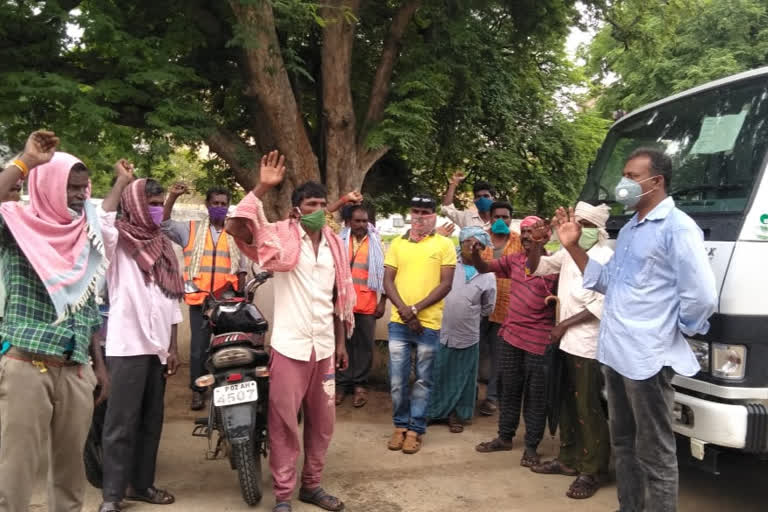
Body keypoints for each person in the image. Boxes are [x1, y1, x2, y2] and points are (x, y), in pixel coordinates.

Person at [552, 148, 717, 512]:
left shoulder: (677, 228)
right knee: (624, 443)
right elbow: (608, 281)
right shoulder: (628, 231)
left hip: (648, 360)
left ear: (656, 181)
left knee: (654, 452)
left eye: (631, 176)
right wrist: (574, 247)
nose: (623, 184)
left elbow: (702, 296)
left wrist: (669, 333)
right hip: (614, 353)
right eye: (623, 175)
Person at [225, 151, 354, 512]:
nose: (317, 209)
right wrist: (263, 187)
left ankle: (311, 486)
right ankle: (283, 495)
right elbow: (236, 228)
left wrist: (341, 341)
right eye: (310, 203)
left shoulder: (334, 246)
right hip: (290, 348)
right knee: (283, 424)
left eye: (321, 204)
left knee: (323, 424)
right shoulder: (279, 237)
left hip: (324, 347)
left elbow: (335, 298)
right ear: (297, 209)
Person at [0, 131, 111, 512]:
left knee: (69, 476)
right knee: (15, 472)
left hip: (76, 368)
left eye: (85, 187)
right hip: (27, 365)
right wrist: (26, 161)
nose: (82, 195)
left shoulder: (84, 234)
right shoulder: (16, 226)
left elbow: (87, 307)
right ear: (47, 186)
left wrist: (98, 367)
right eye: (73, 188)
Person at [99, 178, 184, 512]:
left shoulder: (163, 244)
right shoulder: (118, 240)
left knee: (151, 420)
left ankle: (142, 485)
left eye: (159, 202)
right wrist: (121, 182)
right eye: (150, 202)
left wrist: (173, 346)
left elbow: (172, 299)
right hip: (127, 346)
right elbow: (103, 220)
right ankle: (112, 495)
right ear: (134, 204)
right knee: (120, 423)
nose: (155, 208)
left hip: (158, 349)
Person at [526, 202, 614, 500]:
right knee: (565, 402)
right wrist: (537, 243)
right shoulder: (567, 252)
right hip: (564, 341)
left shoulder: (605, 256)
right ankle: (568, 459)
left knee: (587, 406)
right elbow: (536, 267)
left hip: (587, 343)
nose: (578, 230)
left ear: (597, 230)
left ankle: (593, 469)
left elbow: (601, 302)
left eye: (584, 225)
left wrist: (564, 325)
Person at [472, 216, 557, 467]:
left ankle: (531, 447)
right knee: (509, 390)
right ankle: (504, 437)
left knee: (536, 396)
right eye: (524, 232)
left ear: (546, 235)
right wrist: (476, 254)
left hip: (539, 340)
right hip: (510, 335)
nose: (527, 236)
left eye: (533, 231)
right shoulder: (514, 260)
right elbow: (484, 269)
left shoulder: (555, 264)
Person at [162, 183, 248, 411]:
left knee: (226, 349)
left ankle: (224, 390)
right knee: (198, 350)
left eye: (223, 204)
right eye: (215, 203)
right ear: (207, 205)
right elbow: (164, 223)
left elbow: (242, 267)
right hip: (200, 302)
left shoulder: (234, 233)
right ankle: (198, 391)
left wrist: (244, 292)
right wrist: (172, 196)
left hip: (227, 302)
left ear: (228, 206)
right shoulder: (190, 229)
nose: (219, 207)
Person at [383, 194, 456, 454]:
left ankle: (416, 430)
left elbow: (446, 284)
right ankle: (400, 426)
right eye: (415, 211)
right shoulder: (397, 244)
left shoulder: (444, 244)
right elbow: (388, 281)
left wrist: (415, 310)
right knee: (397, 379)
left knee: (423, 379)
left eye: (425, 212)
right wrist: (405, 311)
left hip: (429, 324)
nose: (419, 216)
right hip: (398, 323)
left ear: (433, 215)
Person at [427, 227, 496, 433]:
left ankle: (457, 414)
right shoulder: (448, 265)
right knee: (439, 372)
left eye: (478, 245)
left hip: (468, 333)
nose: (472, 247)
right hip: (442, 328)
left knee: (464, 376)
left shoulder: (487, 274)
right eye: (468, 242)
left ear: (483, 248)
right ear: (461, 243)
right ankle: (436, 411)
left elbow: (488, 307)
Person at [336, 204, 387, 408]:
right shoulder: (339, 241)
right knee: (342, 345)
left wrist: (383, 301)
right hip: (342, 303)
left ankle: (359, 385)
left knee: (364, 346)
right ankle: (341, 384)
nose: (361, 224)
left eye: (364, 221)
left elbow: (385, 273)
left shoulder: (376, 243)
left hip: (366, 303)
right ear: (349, 222)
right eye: (357, 221)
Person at [478, 201, 523, 416]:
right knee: (474, 352)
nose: (501, 221)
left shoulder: (519, 241)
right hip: (476, 307)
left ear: (511, 219)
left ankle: (491, 397)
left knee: (499, 356)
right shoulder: (479, 239)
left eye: (505, 217)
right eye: (497, 217)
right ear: (490, 217)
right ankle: (469, 395)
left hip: (505, 307)